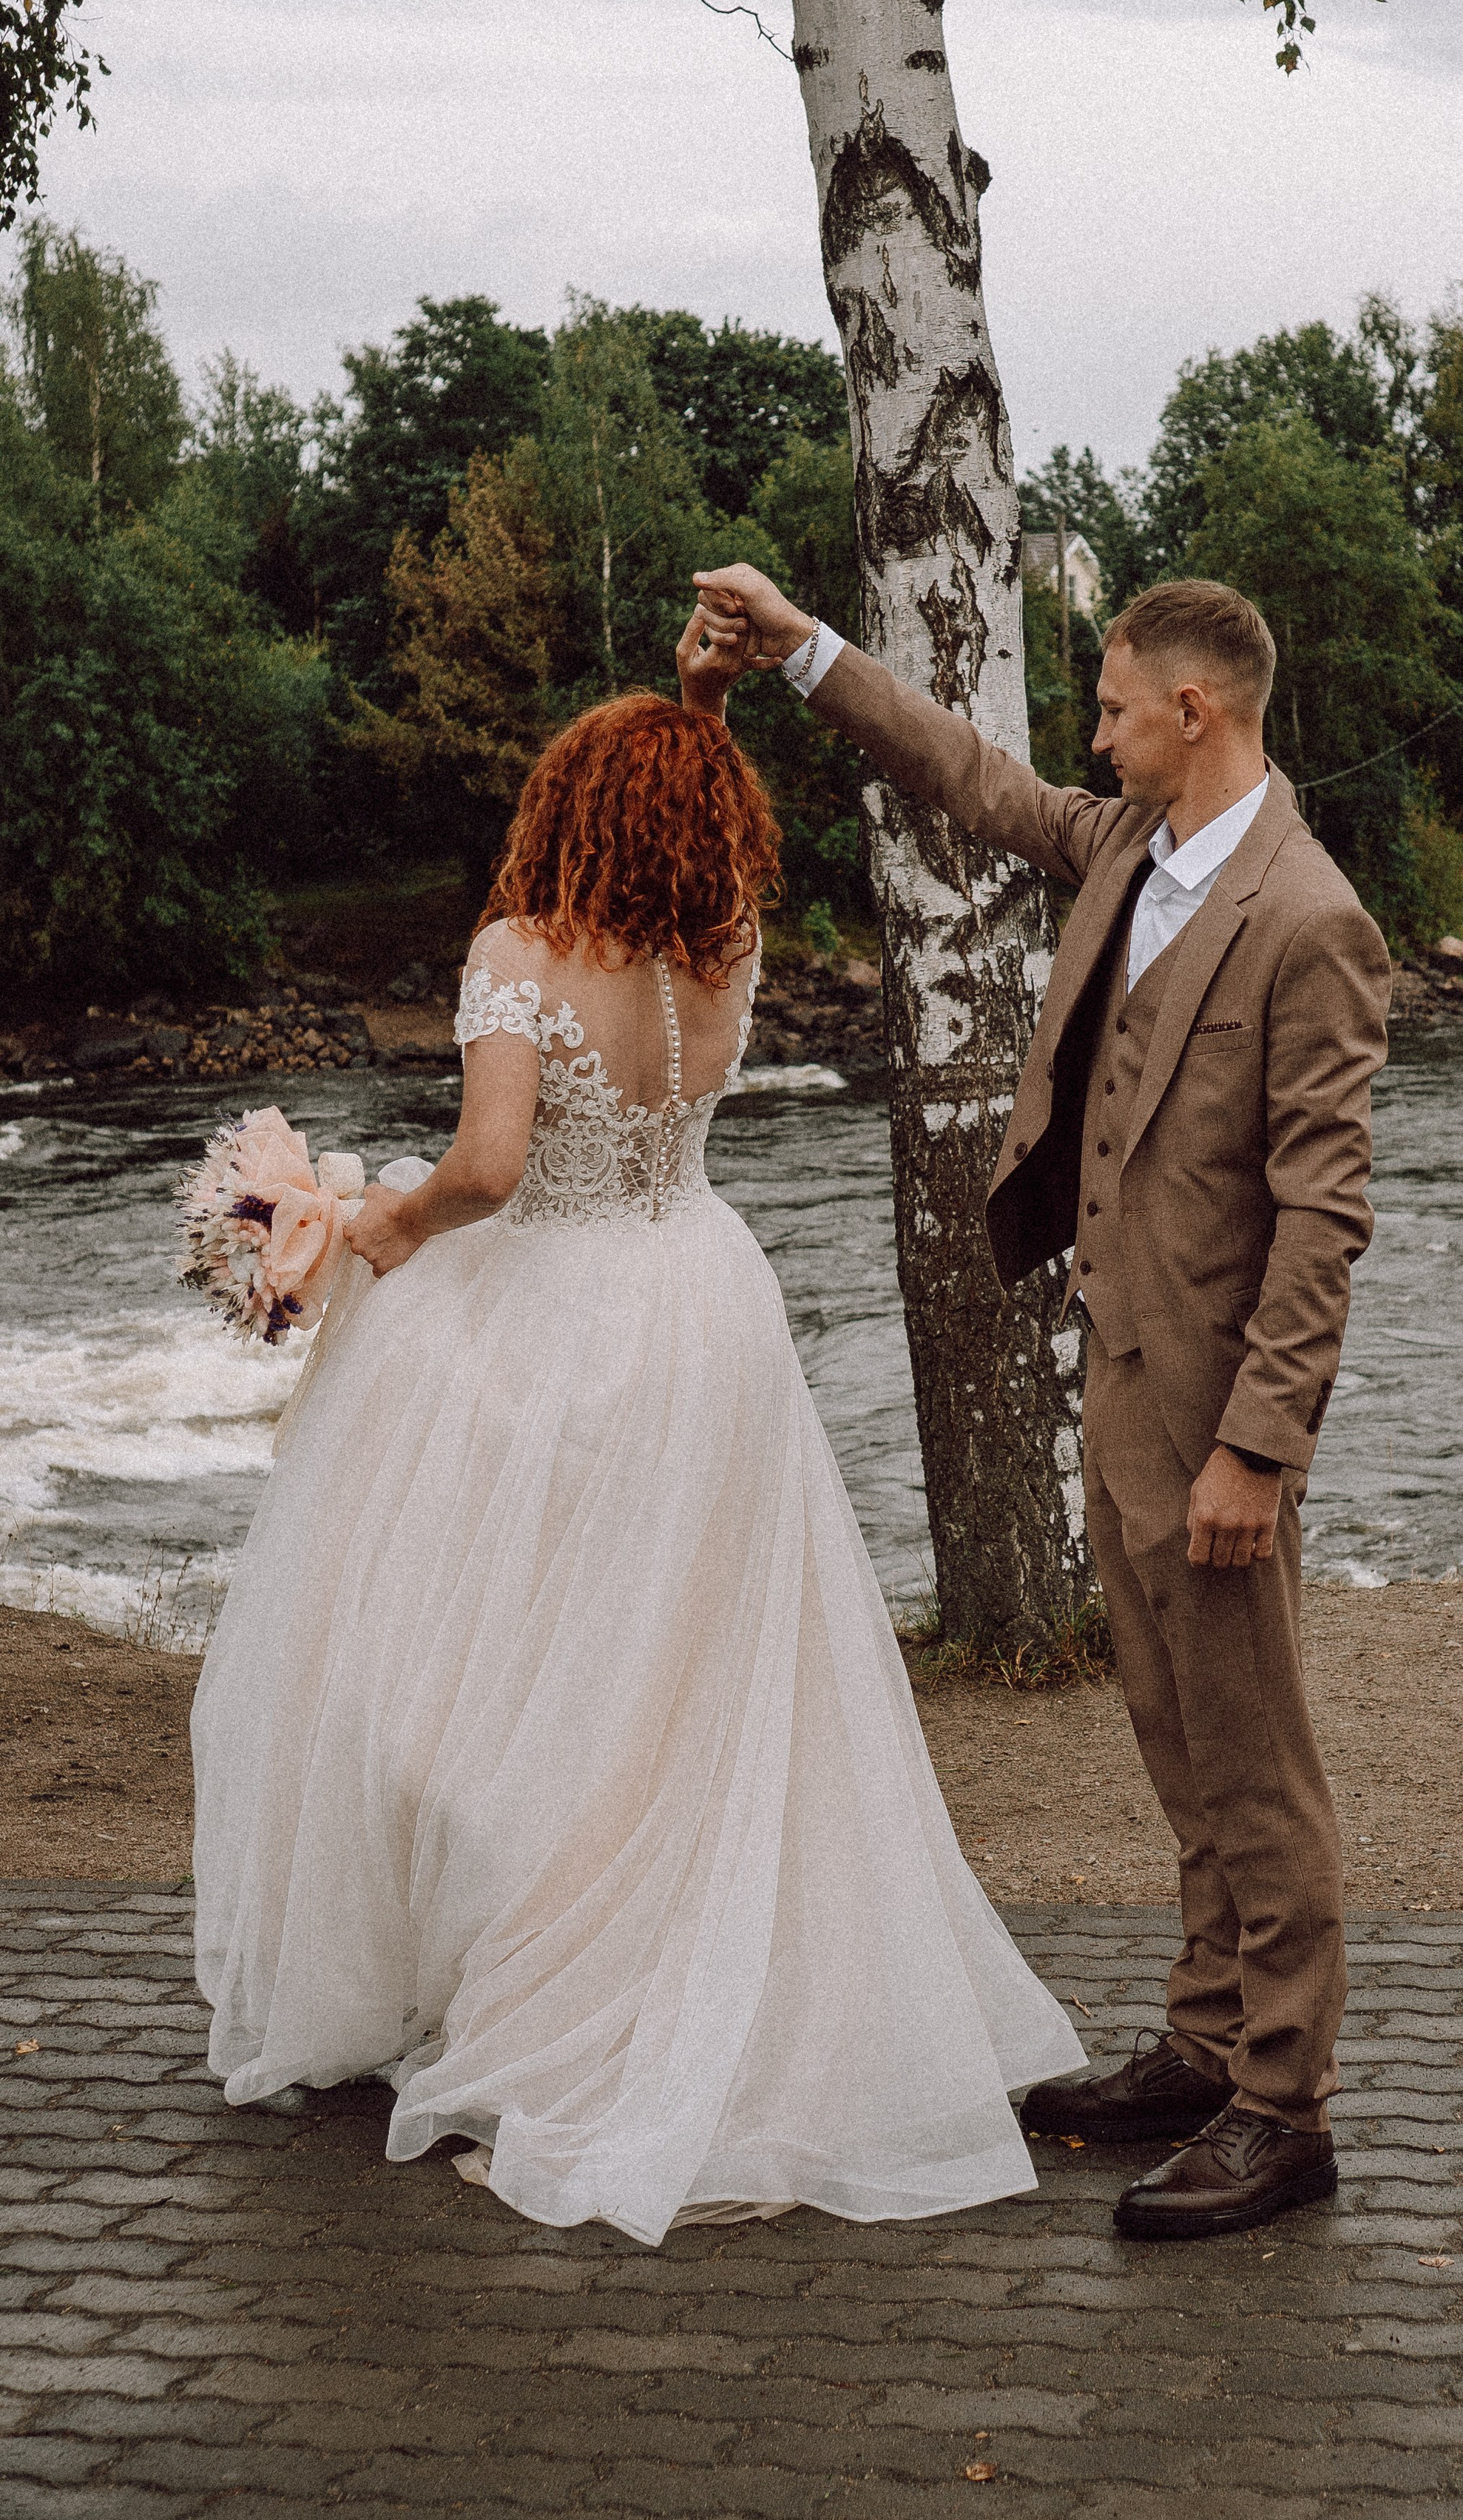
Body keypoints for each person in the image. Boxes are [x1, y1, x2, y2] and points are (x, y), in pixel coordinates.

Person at [191, 669, 1081, 2246]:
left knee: (517, 1661)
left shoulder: (517, 955)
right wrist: (707, 700)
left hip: (559, 1316)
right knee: (680, 1666)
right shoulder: (725, 949)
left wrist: (378, 1224)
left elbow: (490, 1168)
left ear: (570, 811)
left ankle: (556, 2002)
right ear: (701, 823)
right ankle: (684, 1961)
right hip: (705, 1300)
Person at [690, 564, 1391, 2243]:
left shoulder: (1309, 918)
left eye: (1113, 706)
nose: (1092, 736)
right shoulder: (1132, 847)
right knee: (1176, 1734)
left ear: (1193, 712)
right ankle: (1205, 2042)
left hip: (1215, 1411)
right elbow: (970, 778)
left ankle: (1283, 2109)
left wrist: (1255, 1447)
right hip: (1120, 1375)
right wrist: (804, 652)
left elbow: (1323, 1216)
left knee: (1257, 1764)